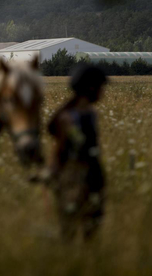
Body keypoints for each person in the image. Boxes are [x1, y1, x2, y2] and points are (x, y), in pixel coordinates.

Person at [37, 64, 108, 241]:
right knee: (69, 228)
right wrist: (51, 171)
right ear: (90, 88)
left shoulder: (91, 114)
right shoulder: (68, 118)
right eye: (100, 87)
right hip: (74, 177)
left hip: (93, 175)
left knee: (92, 228)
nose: (103, 92)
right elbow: (61, 148)